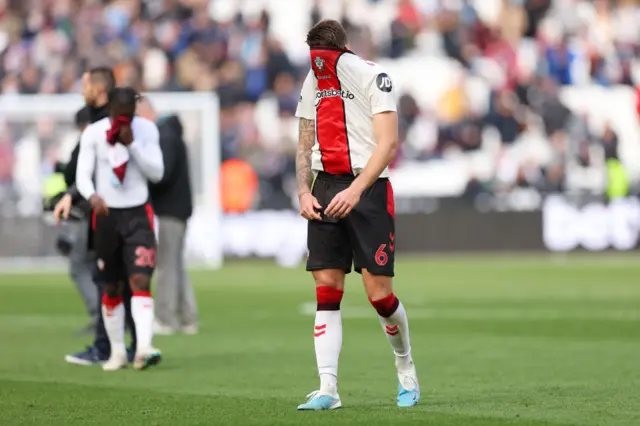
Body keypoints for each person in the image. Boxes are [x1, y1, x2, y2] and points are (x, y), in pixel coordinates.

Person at [294, 20, 419, 410]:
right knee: (326, 289)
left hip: (367, 189)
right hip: (325, 186)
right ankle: (328, 389)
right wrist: (302, 189)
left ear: (339, 51)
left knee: (378, 295)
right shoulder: (312, 80)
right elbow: (304, 142)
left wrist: (356, 189)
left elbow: (388, 143)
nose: (318, 65)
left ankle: (406, 369)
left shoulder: (374, 76)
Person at [76, 86, 163, 371]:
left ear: (134, 111)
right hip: (106, 217)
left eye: (128, 114)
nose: (122, 119)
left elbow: (157, 173)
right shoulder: (93, 133)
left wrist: (133, 145)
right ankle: (116, 352)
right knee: (110, 285)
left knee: (140, 280)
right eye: (118, 114)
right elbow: (82, 176)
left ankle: (144, 347)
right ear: (110, 110)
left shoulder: (147, 131)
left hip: (138, 214)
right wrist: (92, 196)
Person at [55, 67, 137, 366]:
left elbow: (98, 170)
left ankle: (111, 346)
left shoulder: (108, 123)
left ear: (99, 88)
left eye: (85, 84)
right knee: (114, 280)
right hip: (106, 210)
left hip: (111, 213)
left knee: (112, 281)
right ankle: (124, 344)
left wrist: (72, 193)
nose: (81, 90)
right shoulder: (97, 119)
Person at [137, 100, 198, 335]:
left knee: (166, 265)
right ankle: (186, 317)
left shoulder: (163, 136)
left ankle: (165, 318)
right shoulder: (171, 132)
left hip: (170, 209)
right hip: (178, 208)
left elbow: (162, 174)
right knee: (175, 264)